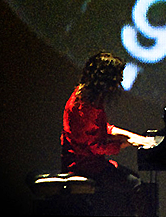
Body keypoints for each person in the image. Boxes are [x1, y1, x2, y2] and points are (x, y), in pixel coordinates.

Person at [61, 51, 156, 214]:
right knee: (136, 186)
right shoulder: (84, 108)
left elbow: (104, 130)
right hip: (83, 166)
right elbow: (97, 147)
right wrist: (125, 143)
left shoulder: (87, 97)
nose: (118, 84)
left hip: (89, 162)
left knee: (133, 183)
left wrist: (134, 137)